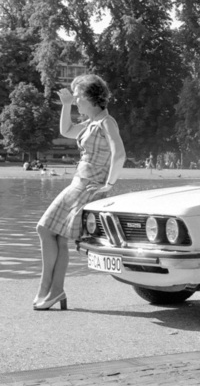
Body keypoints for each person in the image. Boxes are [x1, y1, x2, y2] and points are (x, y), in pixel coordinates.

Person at [34, 74, 126, 311]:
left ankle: (48, 288)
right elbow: (66, 130)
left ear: (91, 97)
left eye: (77, 97)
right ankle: (54, 290)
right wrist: (65, 105)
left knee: (44, 229)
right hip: (78, 184)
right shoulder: (91, 123)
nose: (75, 101)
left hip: (86, 187)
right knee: (57, 237)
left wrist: (109, 184)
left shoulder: (107, 122)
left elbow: (120, 154)